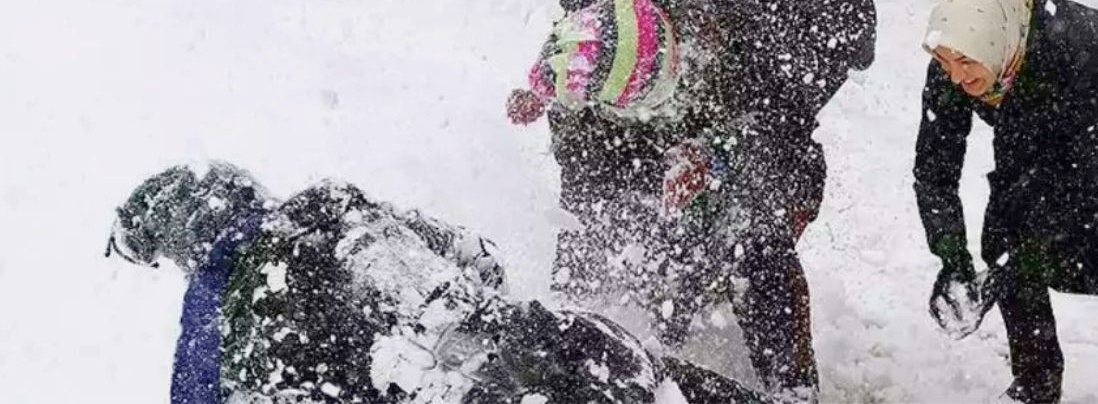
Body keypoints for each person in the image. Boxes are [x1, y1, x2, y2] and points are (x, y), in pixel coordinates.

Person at [547, 0, 877, 400]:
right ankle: (611, 332)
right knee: (615, 191)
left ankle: (791, 389)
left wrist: (742, 132)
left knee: (747, 227)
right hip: (704, 92)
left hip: (783, 78)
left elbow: (847, 24)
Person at [107, 162, 776, 404]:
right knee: (654, 380)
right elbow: (479, 260)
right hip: (558, 346)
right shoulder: (330, 202)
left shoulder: (225, 329)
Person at [509, 0, 835, 402]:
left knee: (754, 242)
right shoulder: (577, 75)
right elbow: (584, 210)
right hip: (636, 150)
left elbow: (785, 134)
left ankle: (792, 391)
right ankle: (656, 367)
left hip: (745, 159)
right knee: (633, 250)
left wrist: (715, 157)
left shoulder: (735, 31)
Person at [913, 0, 1098, 404]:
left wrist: (1004, 271)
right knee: (1005, 233)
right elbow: (933, 169)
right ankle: (1037, 380)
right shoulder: (959, 55)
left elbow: (1059, 186)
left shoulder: (1071, 51)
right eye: (944, 61)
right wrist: (951, 256)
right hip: (1052, 136)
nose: (956, 76)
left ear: (996, 43)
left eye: (965, 62)